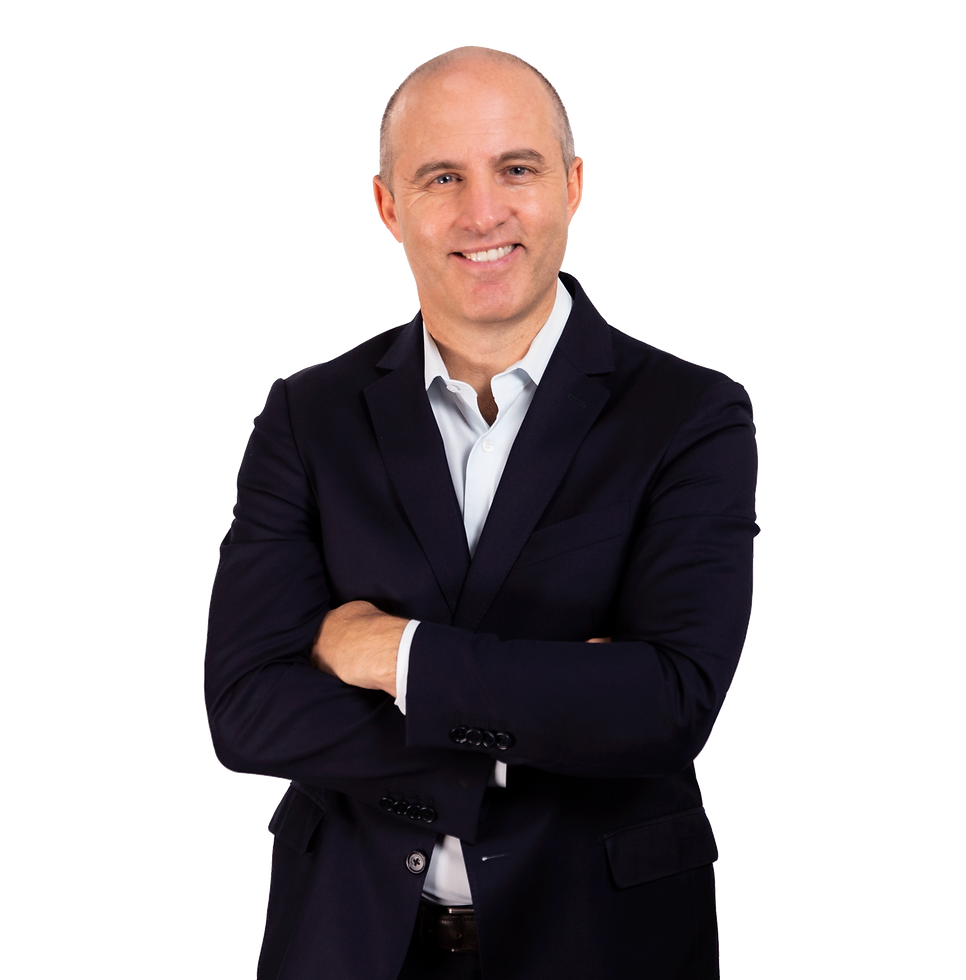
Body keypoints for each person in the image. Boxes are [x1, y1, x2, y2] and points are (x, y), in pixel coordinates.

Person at [204, 42, 760, 980]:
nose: (483, 212)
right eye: (442, 177)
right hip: (348, 938)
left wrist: (392, 655)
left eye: (517, 169)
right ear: (387, 204)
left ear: (574, 185)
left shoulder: (692, 413)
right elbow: (246, 711)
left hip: (600, 940)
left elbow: (667, 706)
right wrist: (552, 706)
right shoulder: (308, 413)